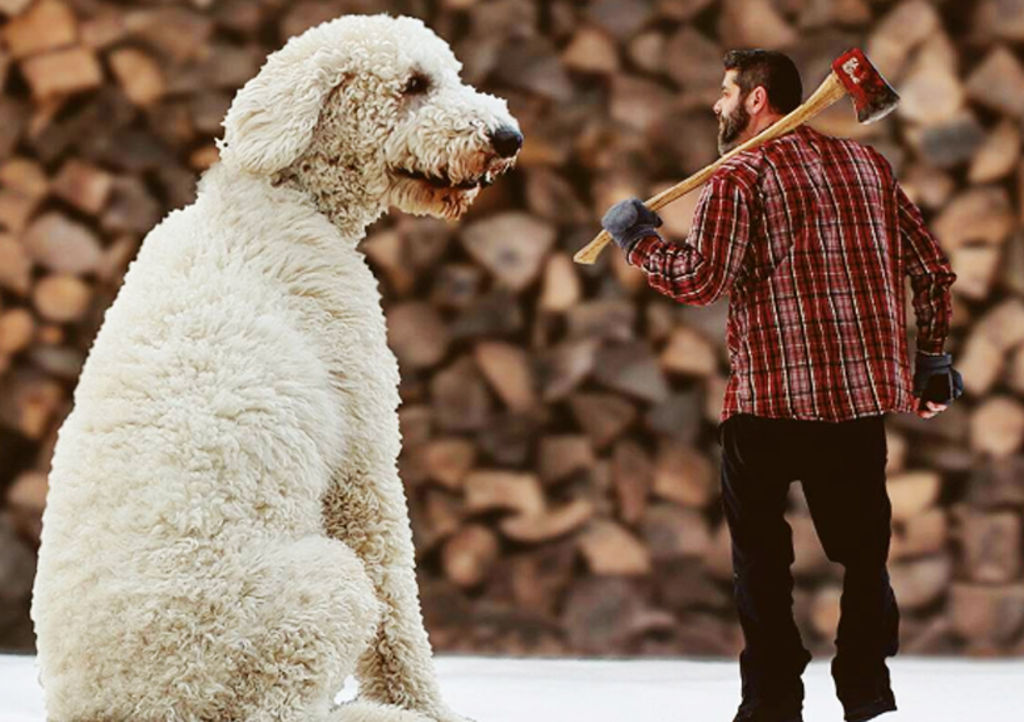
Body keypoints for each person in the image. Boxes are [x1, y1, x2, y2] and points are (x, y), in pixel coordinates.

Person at [600, 49, 963, 722]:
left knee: (762, 567)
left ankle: (771, 703)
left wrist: (640, 242)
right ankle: (866, 692)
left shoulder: (737, 177)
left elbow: (702, 282)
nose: (717, 103)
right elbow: (933, 270)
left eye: (726, 90)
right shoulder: (868, 166)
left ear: (758, 100)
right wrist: (931, 358)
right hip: (855, 406)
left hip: (768, 405)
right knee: (863, 558)